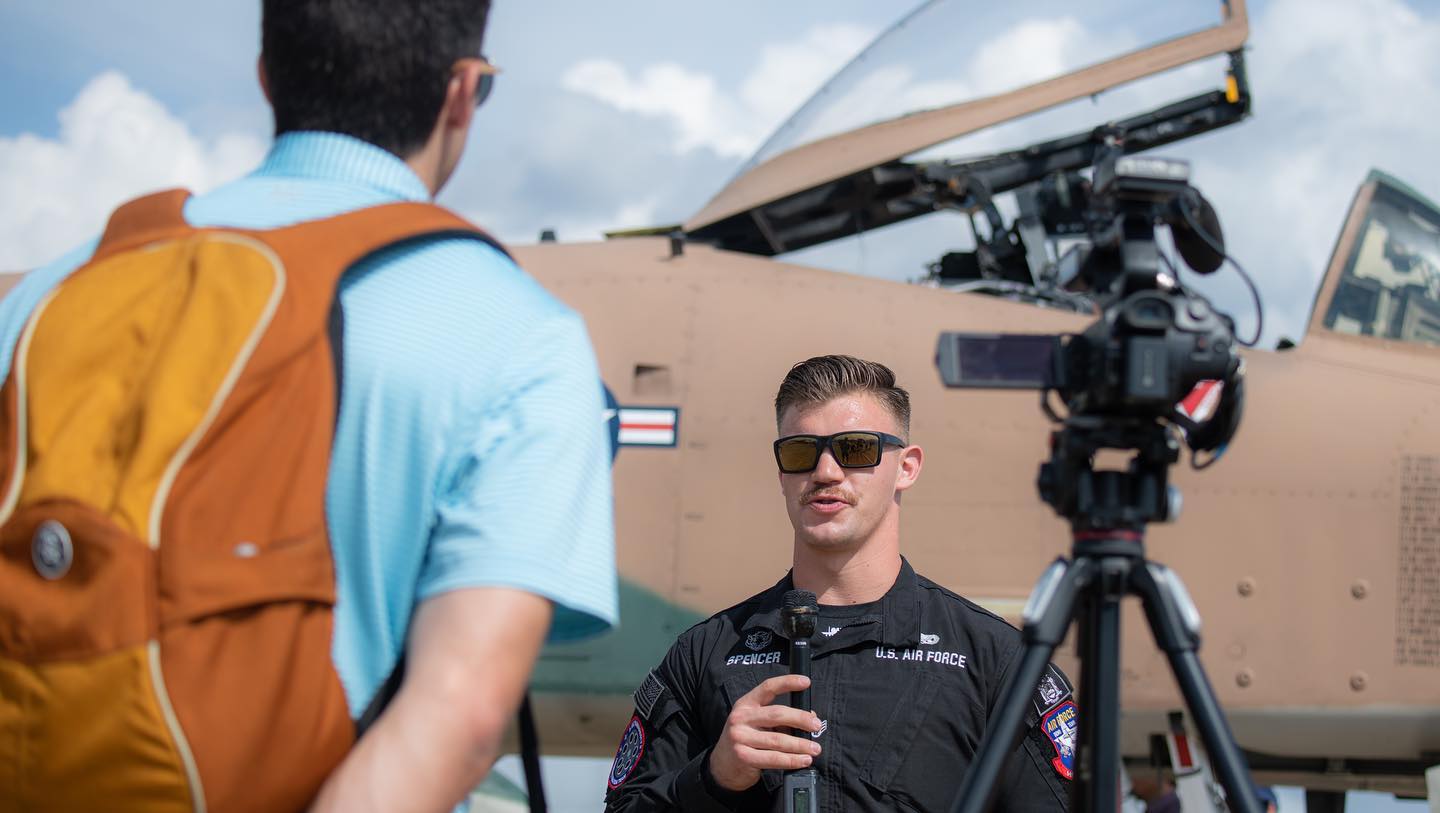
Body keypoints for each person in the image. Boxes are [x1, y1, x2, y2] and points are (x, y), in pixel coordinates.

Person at [0, 1, 617, 811]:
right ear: (463, 92)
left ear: (268, 77)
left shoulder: (46, 295)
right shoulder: (520, 332)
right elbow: (461, 712)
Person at [603, 355, 1072, 812]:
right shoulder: (705, 655)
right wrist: (714, 777)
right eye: (801, 452)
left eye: (855, 449)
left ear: (906, 467)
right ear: (782, 473)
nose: (825, 472)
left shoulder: (994, 661)